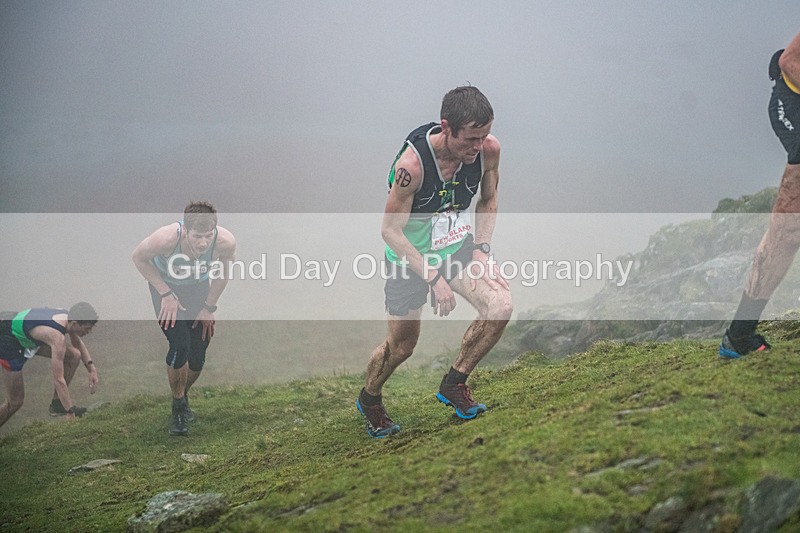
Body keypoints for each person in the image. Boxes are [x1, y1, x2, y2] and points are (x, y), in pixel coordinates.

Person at [356, 86, 513, 438]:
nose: (478, 146)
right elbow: (390, 231)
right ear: (447, 128)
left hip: (455, 247)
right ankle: (369, 399)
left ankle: (455, 383)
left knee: (500, 305)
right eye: (471, 138)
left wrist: (481, 251)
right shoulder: (411, 167)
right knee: (402, 347)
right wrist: (432, 277)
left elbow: (489, 199)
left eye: (484, 136)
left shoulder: (488, 151)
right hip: (409, 256)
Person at [720, 33, 800, 358]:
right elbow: (789, 62)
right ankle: (739, 335)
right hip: (793, 101)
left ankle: (738, 335)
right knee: (787, 229)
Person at [132, 201, 236, 436]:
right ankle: (178, 409)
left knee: (198, 353)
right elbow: (138, 258)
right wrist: (165, 293)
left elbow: (224, 273)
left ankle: (181, 394)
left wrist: (209, 307)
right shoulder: (166, 239)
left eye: (208, 236)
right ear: (186, 230)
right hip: (166, 289)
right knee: (180, 344)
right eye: (197, 236)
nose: (203, 243)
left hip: (198, 290)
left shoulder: (225, 242)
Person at [0, 302, 99, 428]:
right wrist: (70, 410)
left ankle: (57, 405)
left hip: (26, 336)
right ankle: (63, 406)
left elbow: (77, 342)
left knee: (74, 355)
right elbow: (58, 379)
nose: (89, 331)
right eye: (87, 328)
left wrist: (92, 369)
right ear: (74, 324)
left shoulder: (67, 317)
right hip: (8, 340)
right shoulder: (57, 337)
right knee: (15, 402)